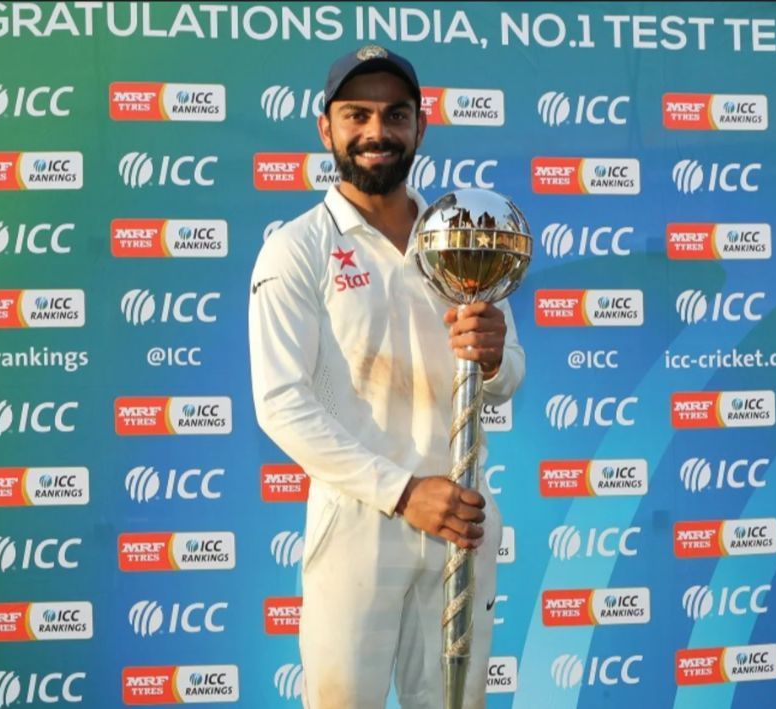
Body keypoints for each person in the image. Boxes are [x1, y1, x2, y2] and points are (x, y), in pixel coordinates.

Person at [248, 44, 525, 709]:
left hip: (461, 519)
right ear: (327, 128)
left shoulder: (465, 234)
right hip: (359, 522)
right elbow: (281, 403)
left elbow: (508, 374)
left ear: (419, 128)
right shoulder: (298, 248)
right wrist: (404, 492)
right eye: (357, 115)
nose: (377, 132)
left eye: (394, 115)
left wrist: (490, 355)